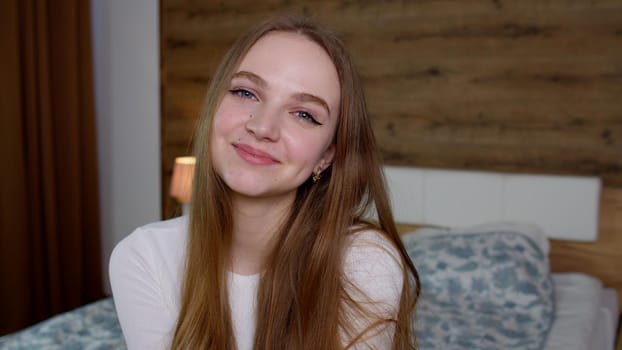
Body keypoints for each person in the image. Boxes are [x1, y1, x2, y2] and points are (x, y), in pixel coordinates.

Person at [110, 15, 420, 350]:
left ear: (326, 157)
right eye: (245, 92)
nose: (263, 127)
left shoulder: (365, 262)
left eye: (304, 114)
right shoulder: (142, 257)